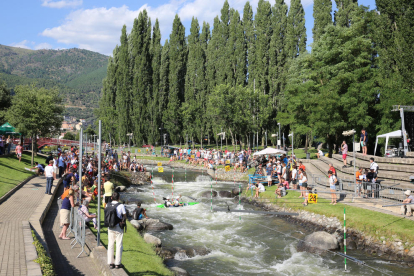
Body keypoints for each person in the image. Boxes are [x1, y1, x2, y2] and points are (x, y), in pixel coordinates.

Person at [107, 192, 126, 270]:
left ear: (111, 198)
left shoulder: (108, 205)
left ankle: (111, 263)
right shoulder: (121, 205)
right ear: (118, 198)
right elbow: (125, 215)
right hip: (118, 227)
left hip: (110, 227)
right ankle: (117, 263)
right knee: (119, 245)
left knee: (110, 244)